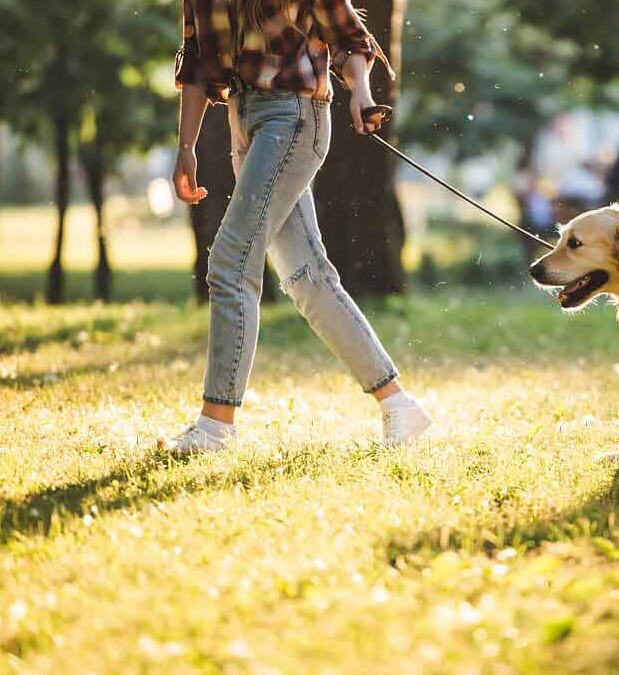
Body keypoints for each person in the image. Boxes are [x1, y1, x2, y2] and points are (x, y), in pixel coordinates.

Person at [162, 0, 431, 454]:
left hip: (293, 118)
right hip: (243, 119)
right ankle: (399, 406)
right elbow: (197, 60)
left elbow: (350, 39)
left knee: (230, 262)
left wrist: (361, 92)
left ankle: (216, 426)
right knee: (308, 276)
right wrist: (186, 145)